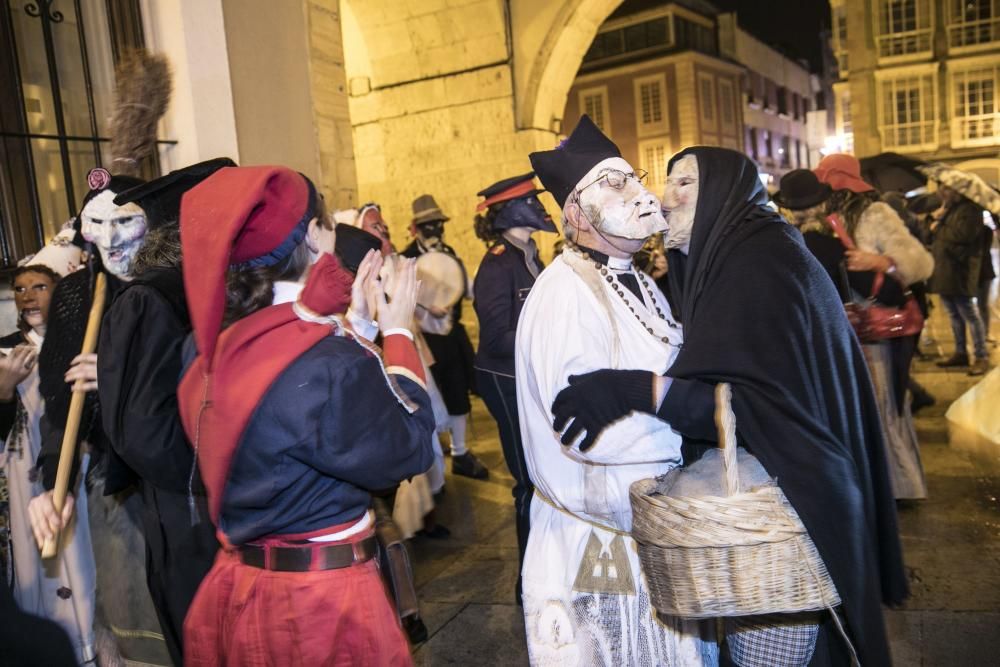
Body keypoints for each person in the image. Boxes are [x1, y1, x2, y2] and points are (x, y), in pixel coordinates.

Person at [553, 147, 909, 666]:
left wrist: (632, 389)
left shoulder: (757, 263)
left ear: (723, 192)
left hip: (789, 504)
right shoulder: (749, 247)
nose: (665, 198)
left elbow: (745, 405)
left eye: (686, 185)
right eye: (668, 183)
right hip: (800, 488)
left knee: (774, 654)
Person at [176, 165, 436, 665]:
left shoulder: (210, 348)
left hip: (240, 587)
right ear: (317, 235)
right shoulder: (324, 362)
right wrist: (398, 333)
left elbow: (302, 421)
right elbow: (409, 447)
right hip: (319, 605)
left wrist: (353, 327)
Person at [516, 115, 715, 665]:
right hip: (602, 535)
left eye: (633, 176)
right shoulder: (565, 295)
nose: (639, 192)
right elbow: (586, 434)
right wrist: (684, 420)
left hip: (654, 519)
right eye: (614, 182)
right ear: (575, 214)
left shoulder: (640, 280)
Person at [28, 168, 172, 665]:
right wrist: (55, 482)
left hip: (177, 490)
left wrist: (117, 378)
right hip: (114, 490)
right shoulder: (75, 297)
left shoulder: (175, 291)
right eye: (98, 224)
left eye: (124, 223)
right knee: (135, 635)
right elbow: (58, 403)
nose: (111, 239)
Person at [94, 158, 233, 665]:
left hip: (231, 497)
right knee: (206, 631)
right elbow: (140, 427)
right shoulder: (151, 298)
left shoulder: (221, 284)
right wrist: (208, 478)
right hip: (190, 501)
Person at [0, 231, 96, 664]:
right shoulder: (5, 350)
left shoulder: (80, 343)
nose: (27, 297)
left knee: (82, 553)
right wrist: (4, 391)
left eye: (39, 286)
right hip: (25, 471)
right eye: (19, 289)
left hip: (77, 464)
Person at [815, 155, 934, 500]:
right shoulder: (825, 214)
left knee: (881, 400)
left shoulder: (875, 212)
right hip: (847, 319)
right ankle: (874, 483)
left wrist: (882, 261)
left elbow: (921, 262)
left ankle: (898, 485)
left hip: (876, 319)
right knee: (864, 401)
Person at [471, 171, 556, 604]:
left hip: (525, 375)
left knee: (540, 477)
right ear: (510, 211)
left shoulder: (530, 254)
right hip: (504, 380)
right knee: (527, 480)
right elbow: (495, 340)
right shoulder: (498, 263)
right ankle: (527, 585)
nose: (540, 207)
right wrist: (547, 334)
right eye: (531, 201)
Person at [402, 195, 489, 480]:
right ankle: (431, 461)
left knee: (457, 392)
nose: (436, 230)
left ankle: (461, 451)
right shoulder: (406, 259)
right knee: (427, 398)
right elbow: (400, 299)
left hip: (451, 335)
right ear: (416, 227)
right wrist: (425, 308)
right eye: (429, 225)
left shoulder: (449, 253)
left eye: (439, 224)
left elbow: (465, 287)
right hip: (423, 341)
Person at [928, 184, 990, 376]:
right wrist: (938, 218)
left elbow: (963, 235)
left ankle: (981, 355)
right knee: (954, 315)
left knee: (969, 314)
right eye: (941, 189)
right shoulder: (950, 210)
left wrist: (938, 227)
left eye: (947, 189)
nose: (943, 193)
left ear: (958, 190)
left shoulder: (971, 210)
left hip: (960, 271)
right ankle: (960, 353)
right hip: (946, 271)